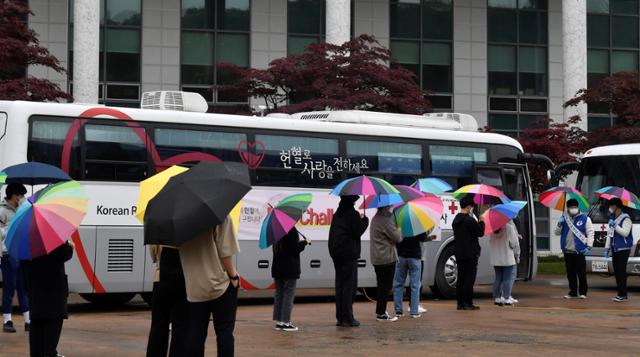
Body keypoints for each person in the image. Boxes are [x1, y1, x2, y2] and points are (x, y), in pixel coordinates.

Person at [179, 216, 240, 357]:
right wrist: (234, 276)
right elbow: (226, 253)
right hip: (220, 285)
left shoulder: (181, 219)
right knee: (224, 332)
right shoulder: (220, 216)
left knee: (195, 333)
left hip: (194, 287)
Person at [23, 241, 74, 357]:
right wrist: (70, 246)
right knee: (50, 346)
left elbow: (25, 263)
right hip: (54, 296)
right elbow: (65, 254)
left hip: (36, 294)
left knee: (36, 340)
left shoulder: (30, 240)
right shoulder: (55, 239)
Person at [328, 195, 369, 328]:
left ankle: (340, 317)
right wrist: (365, 220)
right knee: (349, 287)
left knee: (340, 286)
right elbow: (357, 232)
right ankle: (348, 318)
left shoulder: (337, 214)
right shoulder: (352, 214)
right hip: (348, 254)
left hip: (336, 254)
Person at [146, 246, 188, 357]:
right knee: (180, 327)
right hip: (184, 278)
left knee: (158, 325)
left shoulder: (159, 229)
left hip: (161, 277)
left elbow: (153, 254)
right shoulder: (187, 229)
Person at [0, 183, 30, 333]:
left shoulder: (22, 209)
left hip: (21, 254)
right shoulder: (2, 211)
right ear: (13, 196)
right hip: (7, 255)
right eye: (20, 195)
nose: (22, 198)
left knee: (23, 288)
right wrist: (11, 227)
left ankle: (28, 320)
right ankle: (7, 320)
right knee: (9, 287)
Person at [554, 198, 594, 299]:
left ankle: (583, 292)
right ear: (567, 208)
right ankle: (572, 292)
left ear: (578, 208)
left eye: (575, 207)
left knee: (581, 273)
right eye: (571, 207)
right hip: (567, 250)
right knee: (570, 273)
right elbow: (556, 233)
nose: (573, 209)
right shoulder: (564, 218)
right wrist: (559, 224)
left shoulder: (585, 218)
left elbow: (590, 233)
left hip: (579, 250)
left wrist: (589, 246)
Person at [271, 227, 309, 332]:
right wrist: (304, 243)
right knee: (288, 294)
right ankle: (286, 322)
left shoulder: (276, 231)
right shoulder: (291, 230)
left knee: (279, 294)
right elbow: (294, 250)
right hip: (289, 268)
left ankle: (279, 322)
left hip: (277, 268)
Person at [452, 195, 485, 311]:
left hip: (459, 253)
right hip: (470, 253)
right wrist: (482, 222)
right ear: (468, 206)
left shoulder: (455, 220)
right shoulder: (469, 221)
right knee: (469, 279)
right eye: (471, 206)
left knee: (461, 278)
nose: (472, 208)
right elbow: (480, 233)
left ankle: (460, 303)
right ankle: (468, 303)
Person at [370, 205, 402, 322]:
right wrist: (398, 228)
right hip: (386, 258)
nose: (390, 208)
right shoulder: (385, 220)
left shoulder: (375, 219)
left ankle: (380, 311)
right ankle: (381, 313)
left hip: (377, 258)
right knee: (386, 287)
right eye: (389, 206)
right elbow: (398, 238)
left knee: (381, 286)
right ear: (385, 207)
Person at [393, 232, 435, 318]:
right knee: (415, 285)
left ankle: (398, 311)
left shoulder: (399, 225)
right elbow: (423, 238)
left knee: (398, 284)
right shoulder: (417, 225)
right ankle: (414, 312)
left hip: (401, 256)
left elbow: (395, 238)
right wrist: (430, 238)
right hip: (414, 257)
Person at [603, 198, 634, 302]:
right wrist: (607, 248)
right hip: (615, 248)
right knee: (617, 272)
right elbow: (609, 234)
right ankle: (620, 294)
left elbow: (625, 233)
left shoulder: (626, 219)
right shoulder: (613, 217)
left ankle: (623, 295)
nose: (610, 208)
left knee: (621, 272)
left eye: (611, 206)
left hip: (623, 249)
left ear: (616, 206)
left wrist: (615, 225)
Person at [489, 221, 521, 306]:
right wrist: (517, 255)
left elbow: (491, 242)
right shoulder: (509, 228)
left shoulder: (492, 229)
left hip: (496, 258)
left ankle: (497, 298)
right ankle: (507, 298)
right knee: (507, 279)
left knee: (498, 278)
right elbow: (515, 244)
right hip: (507, 258)